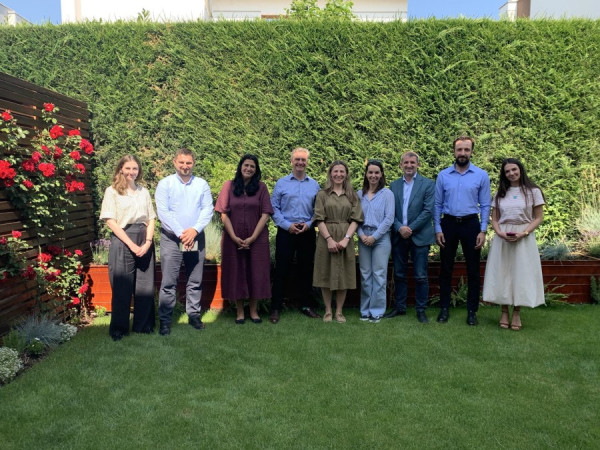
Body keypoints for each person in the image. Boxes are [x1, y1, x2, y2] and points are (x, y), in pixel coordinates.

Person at [155, 148, 214, 335]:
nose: (185, 166)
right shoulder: (165, 184)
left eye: (188, 163)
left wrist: (194, 230)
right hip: (172, 239)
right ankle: (165, 320)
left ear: (193, 163)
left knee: (194, 280)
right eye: (181, 162)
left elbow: (207, 209)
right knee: (169, 282)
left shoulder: (202, 184)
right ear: (175, 162)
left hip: (195, 237)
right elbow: (163, 212)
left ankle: (194, 315)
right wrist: (182, 234)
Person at [483, 158, 545, 330]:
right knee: (502, 273)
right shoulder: (500, 193)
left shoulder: (533, 191)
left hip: (524, 236)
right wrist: (499, 232)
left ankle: (517, 312)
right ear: (504, 174)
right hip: (503, 237)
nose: (511, 173)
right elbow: (495, 219)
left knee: (520, 274)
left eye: (514, 169)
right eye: (507, 171)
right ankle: (504, 311)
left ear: (520, 170)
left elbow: (538, 217)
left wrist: (524, 233)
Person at [434, 136, 491, 326]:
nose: (463, 153)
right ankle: (444, 308)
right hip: (448, 224)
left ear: (471, 152)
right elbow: (437, 204)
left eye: (466, 150)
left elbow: (485, 204)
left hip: (471, 225)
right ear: (454, 152)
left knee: (473, 270)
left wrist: (483, 230)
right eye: (459, 150)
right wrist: (437, 228)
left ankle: (472, 311)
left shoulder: (481, 175)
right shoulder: (443, 175)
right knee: (445, 268)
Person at [99, 155, 156, 341]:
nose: (132, 172)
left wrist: (148, 242)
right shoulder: (112, 192)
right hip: (123, 238)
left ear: (139, 170)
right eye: (128, 168)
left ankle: (144, 326)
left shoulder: (143, 192)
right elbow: (110, 221)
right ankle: (119, 329)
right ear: (121, 169)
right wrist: (131, 244)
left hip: (144, 237)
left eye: (135, 168)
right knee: (122, 286)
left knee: (145, 285)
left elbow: (151, 219)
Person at [215, 154, 273, 325]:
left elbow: (265, 214)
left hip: (258, 239)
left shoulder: (261, 187)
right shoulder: (229, 186)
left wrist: (253, 237)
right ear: (240, 167)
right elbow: (223, 214)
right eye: (246, 165)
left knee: (256, 272)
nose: (248, 168)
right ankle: (240, 312)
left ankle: (254, 311)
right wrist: (234, 237)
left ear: (256, 170)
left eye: (252, 166)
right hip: (233, 238)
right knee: (236, 272)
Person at [270, 147, 321, 324]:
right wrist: (287, 225)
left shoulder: (314, 185)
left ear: (307, 162)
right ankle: (275, 308)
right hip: (286, 232)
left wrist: (309, 224)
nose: (300, 162)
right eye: (297, 159)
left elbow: (318, 210)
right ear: (291, 161)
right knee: (281, 270)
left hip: (307, 232)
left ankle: (306, 305)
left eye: (303, 160)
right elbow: (274, 208)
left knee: (306, 270)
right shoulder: (281, 183)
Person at [385, 152, 435, 323]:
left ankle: (421, 310)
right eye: (406, 162)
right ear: (401, 165)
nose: (409, 165)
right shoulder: (394, 185)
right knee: (399, 274)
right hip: (399, 236)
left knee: (420, 275)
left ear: (418, 165)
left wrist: (410, 228)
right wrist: (400, 227)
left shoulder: (428, 184)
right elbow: (390, 212)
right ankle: (400, 308)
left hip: (420, 236)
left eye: (412, 162)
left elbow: (428, 211)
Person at [313, 160, 364, 323]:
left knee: (344, 274)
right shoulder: (322, 194)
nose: (338, 174)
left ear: (346, 174)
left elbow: (356, 219)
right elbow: (319, 219)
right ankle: (328, 310)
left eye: (342, 171)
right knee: (325, 273)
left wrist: (346, 239)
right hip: (325, 236)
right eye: (335, 171)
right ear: (330, 174)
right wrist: (329, 239)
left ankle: (339, 311)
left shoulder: (352, 195)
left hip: (345, 236)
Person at [357, 160, 394, 323]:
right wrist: (361, 235)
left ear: (381, 174)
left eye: (376, 172)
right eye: (370, 172)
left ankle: (377, 311)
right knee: (365, 275)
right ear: (366, 174)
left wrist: (374, 237)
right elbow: (354, 218)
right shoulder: (359, 194)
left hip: (381, 238)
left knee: (379, 275)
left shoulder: (387, 194)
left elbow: (389, 218)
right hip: (363, 237)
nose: (373, 175)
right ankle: (365, 310)